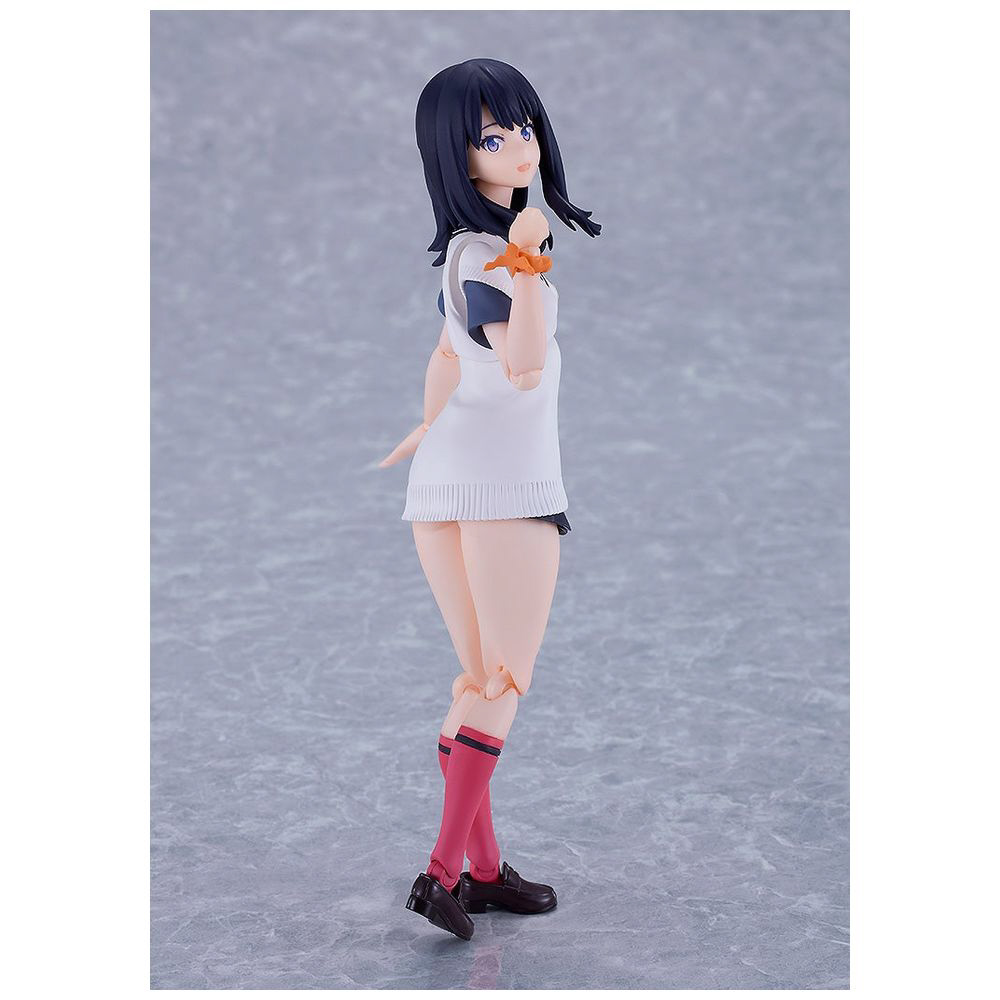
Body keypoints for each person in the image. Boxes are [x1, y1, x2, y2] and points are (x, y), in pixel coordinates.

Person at [378, 58, 600, 940]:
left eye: (523, 128)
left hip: (442, 487)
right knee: (504, 681)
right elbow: (523, 364)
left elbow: (446, 356)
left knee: (477, 681)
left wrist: (425, 429)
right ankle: (439, 872)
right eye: (493, 136)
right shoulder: (496, 258)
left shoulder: (467, 254)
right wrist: (533, 267)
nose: (520, 147)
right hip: (504, 490)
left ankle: (481, 871)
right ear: (456, 154)